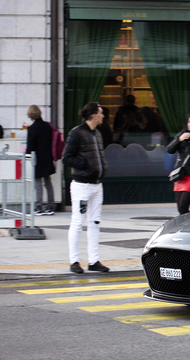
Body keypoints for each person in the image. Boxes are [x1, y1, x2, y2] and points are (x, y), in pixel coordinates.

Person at [62, 102, 109, 274]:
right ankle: (74, 261)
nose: (103, 116)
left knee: (95, 222)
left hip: (97, 185)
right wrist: (85, 165)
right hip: (82, 186)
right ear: (94, 115)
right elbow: (66, 158)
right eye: (101, 112)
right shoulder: (77, 133)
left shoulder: (97, 133)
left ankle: (93, 260)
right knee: (77, 222)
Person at [167, 112, 190, 214]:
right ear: (187, 123)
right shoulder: (181, 134)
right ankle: (187, 226)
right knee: (180, 209)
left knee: (183, 206)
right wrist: (179, 140)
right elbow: (170, 150)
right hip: (180, 174)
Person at [26, 105, 55, 215]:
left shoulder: (32, 128)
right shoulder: (47, 126)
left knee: (37, 183)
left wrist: (26, 155)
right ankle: (50, 207)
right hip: (47, 156)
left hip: (37, 158)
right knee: (48, 182)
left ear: (30, 115)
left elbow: (30, 146)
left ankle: (38, 207)